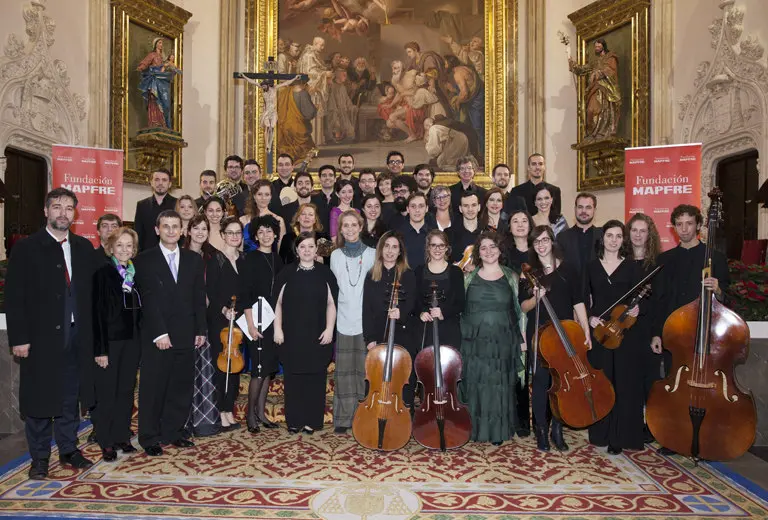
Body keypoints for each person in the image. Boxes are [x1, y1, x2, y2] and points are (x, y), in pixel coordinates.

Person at [7, 188, 97, 479]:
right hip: (40, 339)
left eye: (69, 208)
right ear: (46, 211)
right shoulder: (27, 248)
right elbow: (15, 296)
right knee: (40, 400)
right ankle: (40, 457)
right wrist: (19, 338)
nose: (63, 213)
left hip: (77, 337)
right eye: (57, 207)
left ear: (76, 213)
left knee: (70, 399)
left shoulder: (84, 248)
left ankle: (69, 449)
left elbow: (95, 294)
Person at [134, 210, 207, 456]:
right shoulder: (144, 260)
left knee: (180, 386)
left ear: (182, 230)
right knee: (154, 388)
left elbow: (198, 297)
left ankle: (173, 432)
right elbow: (147, 300)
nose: (171, 231)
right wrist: (159, 333)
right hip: (158, 337)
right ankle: (149, 437)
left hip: (186, 333)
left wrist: (201, 330)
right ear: (157, 230)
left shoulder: (193, 260)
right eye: (166, 226)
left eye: (176, 226)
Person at [519, 225, 591, 452]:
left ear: (552, 242)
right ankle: (541, 429)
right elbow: (524, 306)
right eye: (536, 242)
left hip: (565, 332)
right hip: (539, 333)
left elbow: (578, 301)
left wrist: (586, 330)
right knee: (540, 381)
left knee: (560, 382)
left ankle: (557, 428)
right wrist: (536, 297)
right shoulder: (529, 273)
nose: (541, 245)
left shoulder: (568, 269)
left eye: (544, 240)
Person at [585, 220, 644, 455]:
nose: (614, 240)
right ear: (603, 239)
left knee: (622, 383)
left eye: (619, 236)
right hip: (600, 333)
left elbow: (640, 299)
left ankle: (618, 436)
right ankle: (600, 433)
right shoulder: (591, 266)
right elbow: (583, 297)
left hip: (623, 332)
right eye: (610, 235)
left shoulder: (631, 267)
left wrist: (637, 309)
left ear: (623, 240)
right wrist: (590, 318)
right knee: (602, 382)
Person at [460, 232, 525, 445]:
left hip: (503, 342)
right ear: (478, 253)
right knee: (476, 385)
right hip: (474, 342)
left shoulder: (511, 277)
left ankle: (497, 431)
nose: (488, 251)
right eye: (483, 248)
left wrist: (522, 337)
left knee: (499, 386)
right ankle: (474, 428)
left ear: (500, 249)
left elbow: (519, 311)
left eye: (493, 246)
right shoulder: (468, 276)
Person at [274, 233, 339, 434]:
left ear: (316, 249)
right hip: (292, 335)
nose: (307, 250)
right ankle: (294, 420)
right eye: (303, 247)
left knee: (315, 379)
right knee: (293, 379)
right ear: (297, 250)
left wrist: (330, 329)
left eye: (311, 246)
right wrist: (277, 329)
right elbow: (277, 303)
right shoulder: (286, 273)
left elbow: (332, 304)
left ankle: (312, 420)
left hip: (318, 334)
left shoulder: (325, 273)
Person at [92, 227, 142, 462]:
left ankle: (122, 436)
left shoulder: (133, 273)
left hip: (131, 342)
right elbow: (98, 313)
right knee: (107, 394)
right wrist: (100, 349)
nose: (124, 250)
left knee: (125, 391)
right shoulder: (103, 273)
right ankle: (106, 441)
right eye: (120, 245)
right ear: (111, 247)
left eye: (129, 246)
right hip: (110, 344)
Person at [330, 211, 376, 434]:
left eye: (353, 225)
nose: (349, 229)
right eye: (345, 226)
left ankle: (365, 417)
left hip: (365, 322)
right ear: (340, 229)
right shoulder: (335, 256)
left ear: (361, 227)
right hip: (343, 320)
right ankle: (343, 419)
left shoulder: (373, 254)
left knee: (364, 372)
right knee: (344, 372)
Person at [362, 231, 417, 407]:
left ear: (400, 251)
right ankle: (375, 416)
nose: (390, 251)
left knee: (402, 380)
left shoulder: (408, 275)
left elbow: (413, 303)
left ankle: (403, 416)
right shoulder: (372, 275)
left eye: (395, 247)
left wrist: (401, 313)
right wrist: (369, 339)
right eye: (387, 246)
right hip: (378, 334)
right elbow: (367, 309)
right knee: (377, 381)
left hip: (403, 335)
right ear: (381, 249)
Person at [241, 216, 284, 433]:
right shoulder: (250, 259)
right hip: (256, 321)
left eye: (269, 231)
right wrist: (250, 325)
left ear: (276, 234)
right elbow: (245, 294)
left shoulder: (279, 260)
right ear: (256, 236)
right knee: (258, 369)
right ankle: (250, 415)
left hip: (273, 321)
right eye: (261, 232)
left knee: (267, 369)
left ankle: (261, 413)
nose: (266, 235)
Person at [205, 217, 247, 431]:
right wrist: (223, 309)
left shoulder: (244, 259)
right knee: (222, 367)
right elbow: (211, 292)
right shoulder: (216, 260)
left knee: (236, 366)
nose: (234, 236)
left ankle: (230, 409)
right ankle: (221, 411)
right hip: (221, 319)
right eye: (229, 233)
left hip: (240, 319)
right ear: (222, 235)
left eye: (237, 232)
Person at [182, 215, 220, 437]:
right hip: (183, 318)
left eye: (203, 228)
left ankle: (203, 420)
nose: (199, 232)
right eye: (195, 228)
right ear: (188, 231)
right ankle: (182, 420)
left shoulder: (212, 255)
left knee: (204, 369)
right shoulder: (179, 254)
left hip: (205, 318)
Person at [626, 213, 663, 420]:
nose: (637, 235)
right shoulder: (622, 262)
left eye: (642, 231)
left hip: (647, 328)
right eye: (634, 230)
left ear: (650, 234)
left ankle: (650, 423)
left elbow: (660, 301)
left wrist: (656, 334)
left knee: (649, 378)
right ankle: (631, 422)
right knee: (629, 377)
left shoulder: (657, 265)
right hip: (624, 329)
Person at [500, 209, 533, 436]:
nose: (520, 224)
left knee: (529, 368)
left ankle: (525, 420)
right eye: (515, 220)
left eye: (524, 221)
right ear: (509, 227)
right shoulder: (504, 255)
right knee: (509, 368)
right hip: (508, 316)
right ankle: (508, 418)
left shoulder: (538, 252)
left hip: (533, 316)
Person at [414, 230, 465, 350]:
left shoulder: (456, 272)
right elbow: (414, 300)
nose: (437, 249)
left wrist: (444, 313)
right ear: (428, 247)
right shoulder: (419, 271)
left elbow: (461, 303)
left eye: (441, 245)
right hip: (425, 330)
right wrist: (420, 313)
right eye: (433, 245)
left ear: (447, 248)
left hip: (449, 329)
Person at [568, 38, 621, 140]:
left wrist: (598, 73)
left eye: (598, 46)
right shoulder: (595, 62)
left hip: (606, 89)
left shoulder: (611, 57)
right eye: (595, 47)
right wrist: (570, 58)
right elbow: (581, 70)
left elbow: (611, 70)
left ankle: (603, 132)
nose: (596, 48)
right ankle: (593, 132)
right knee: (590, 110)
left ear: (603, 46)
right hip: (594, 88)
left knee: (603, 110)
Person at [137, 37, 179, 128]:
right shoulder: (152, 55)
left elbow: (168, 67)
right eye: (159, 43)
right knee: (154, 100)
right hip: (155, 80)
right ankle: (155, 122)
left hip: (163, 81)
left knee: (165, 103)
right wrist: (141, 67)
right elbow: (145, 63)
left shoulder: (163, 57)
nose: (161, 45)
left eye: (161, 43)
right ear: (155, 44)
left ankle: (163, 123)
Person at [556, 192, 601, 277]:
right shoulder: (562, 238)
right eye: (580, 207)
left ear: (594, 210)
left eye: (588, 207)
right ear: (575, 209)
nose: (583, 211)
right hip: (570, 288)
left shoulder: (603, 235)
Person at [134, 169, 178, 251]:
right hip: (147, 254)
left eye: (164, 180)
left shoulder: (177, 204)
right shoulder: (142, 205)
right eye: (157, 180)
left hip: (171, 253)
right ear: (151, 182)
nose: (160, 183)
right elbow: (138, 233)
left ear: (170, 184)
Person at [507, 153, 562, 218]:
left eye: (540, 164)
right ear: (528, 168)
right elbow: (512, 216)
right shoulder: (516, 191)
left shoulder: (555, 190)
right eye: (534, 164)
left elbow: (556, 216)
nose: (537, 167)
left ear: (544, 167)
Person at [241, 180, 287, 253]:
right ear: (254, 196)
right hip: (246, 262)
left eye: (267, 194)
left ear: (271, 196)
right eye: (259, 194)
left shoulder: (279, 220)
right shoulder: (242, 220)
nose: (263, 198)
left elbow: (280, 250)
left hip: (270, 262)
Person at [399, 192, 435, 270]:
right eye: (413, 206)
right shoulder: (398, 235)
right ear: (408, 209)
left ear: (427, 209)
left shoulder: (434, 235)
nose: (417, 210)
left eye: (421, 206)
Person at [451, 192, 481, 268]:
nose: (470, 209)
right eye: (466, 206)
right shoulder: (449, 234)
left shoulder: (489, 233)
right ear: (460, 209)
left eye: (473, 205)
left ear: (479, 207)